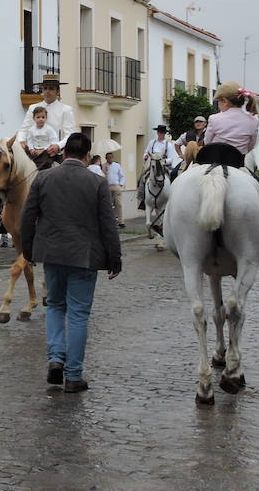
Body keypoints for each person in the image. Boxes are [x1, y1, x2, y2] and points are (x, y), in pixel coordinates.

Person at [19, 132, 122, 393]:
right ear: (87, 156)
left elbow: (27, 216)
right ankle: (73, 375)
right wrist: (114, 257)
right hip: (84, 256)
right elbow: (108, 223)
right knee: (78, 314)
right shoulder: (96, 182)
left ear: (64, 154)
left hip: (51, 254)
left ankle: (55, 358)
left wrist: (29, 250)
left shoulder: (43, 178)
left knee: (55, 305)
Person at [204, 80, 259, 243]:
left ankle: (164, 220)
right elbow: (251, 145)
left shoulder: (214, 119)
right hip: (238, 166)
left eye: (219, 102)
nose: (218, 105)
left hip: (213, 165)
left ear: (225, 101)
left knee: (178, 180)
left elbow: (207, 142)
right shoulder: (253, 121)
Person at [19, 74, 76, 156]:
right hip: (34, 153)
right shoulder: (32, 108)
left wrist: (58, 146)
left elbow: (70, 134)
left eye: (51, 88)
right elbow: (24, 129)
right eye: (45, 88)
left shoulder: (66, 110)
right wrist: (22, 140)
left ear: (58, 91)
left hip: (56, 154)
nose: (47, 91)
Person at [137, 125, 177, 210]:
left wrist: (164, 161)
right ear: (157, 133)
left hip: (164, 165)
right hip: (153, 164)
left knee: (173, 176)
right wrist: (145, 156)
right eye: (159, 132)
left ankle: (173, 197)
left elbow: (171, 159)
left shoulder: (168, 145)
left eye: (162, 133)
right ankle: (143, 199)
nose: (160, 134)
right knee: (142, 178)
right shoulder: (152, 142)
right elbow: (146, 152)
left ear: (164, 134)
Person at [18, 105, 61, 170]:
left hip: (46, 151)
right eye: (38, 117)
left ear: (46, 118)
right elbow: (30, 141)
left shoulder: (49, 129)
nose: (41, 119)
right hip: (34, 151)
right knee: (29, 160)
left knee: (46, 162)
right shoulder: (31, 130)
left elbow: (53, 140)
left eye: (43, 117)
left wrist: (44, 149)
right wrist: (31, 149)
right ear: (34, 118)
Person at [104, 154, 127, 228]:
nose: (110, 159)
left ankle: (121, 221)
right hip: (107, 186)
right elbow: (102, 175)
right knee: (108, 204)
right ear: (106, 158)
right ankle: (110, 221)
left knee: (118, 204)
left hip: (116, 186)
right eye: (108, 158)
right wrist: (106, 171)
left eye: (111, 157)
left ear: (113, 158)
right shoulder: (104, 166)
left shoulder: (117, 165)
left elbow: (122, 175)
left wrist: (121, 185)